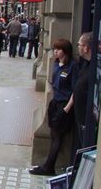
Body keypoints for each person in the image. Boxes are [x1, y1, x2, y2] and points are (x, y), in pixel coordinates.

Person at [29, 39, 77, 176]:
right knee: (53, 134)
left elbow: (75, 90)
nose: (55, 51)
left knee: (57, 136)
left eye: (59, 49)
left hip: (64, 105)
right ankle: (48, 165)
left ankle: (49, 167)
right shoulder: (56, 64)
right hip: (55, 103)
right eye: (54, 49)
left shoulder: (73, 66)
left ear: (65, 51)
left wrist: (66, 109)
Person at [64, 32, 92, 155]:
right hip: (80, 117)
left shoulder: (95, 68)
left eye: (79, 44)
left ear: (86, 47)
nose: (78, 47)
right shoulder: (86, 64)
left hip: (88, 120)